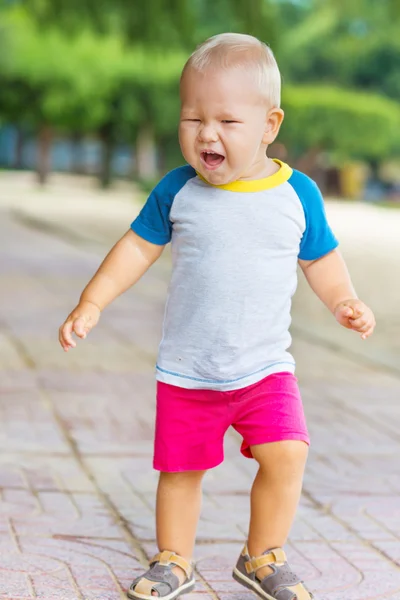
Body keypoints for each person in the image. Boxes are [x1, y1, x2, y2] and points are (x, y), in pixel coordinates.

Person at [59, 33, 375, 600]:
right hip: (189, 368)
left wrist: (344, 301)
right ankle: (173, 558)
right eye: (192, 119)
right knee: (181, 472)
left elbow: (321, 258)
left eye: (227, 121)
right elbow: (135, 248)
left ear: (269, 125)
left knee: (289, 452)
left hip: (264, 368)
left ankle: (261, 555)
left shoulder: (296, 194)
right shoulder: (178, 190)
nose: (207, 134)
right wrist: (92, 300)